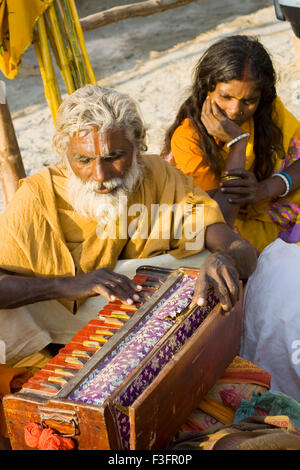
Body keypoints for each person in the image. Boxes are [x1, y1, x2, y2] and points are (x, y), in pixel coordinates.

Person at [0, 84, 257, 365]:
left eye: (114, 157)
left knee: (208, 260)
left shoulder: (157, 175)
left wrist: (225, 258)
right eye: (83, 159)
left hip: (151, 324)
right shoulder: (38, 197)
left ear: (138, 147)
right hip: (62, 332)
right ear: (65, 155)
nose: (100, 175)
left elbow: (239, 249)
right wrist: (67, 285)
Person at [162, 35, 300, 254]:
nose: (235, 110)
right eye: (226, 96)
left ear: (261, 98)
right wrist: (238, 145)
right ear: (207, 89)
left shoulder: (268, 111)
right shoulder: (188, 137)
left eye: (248, 101)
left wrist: (263, 189)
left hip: (264, 209)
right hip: (218, 227)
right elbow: (221, 222)